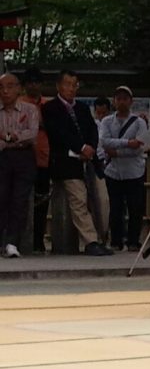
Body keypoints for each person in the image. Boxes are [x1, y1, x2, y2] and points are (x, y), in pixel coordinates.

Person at [41, 70, 113, 256]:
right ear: (58, 86)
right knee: (78, 200)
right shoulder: (50, 108)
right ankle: (91, 241)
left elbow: (92, 130)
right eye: (67, 84)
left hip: (90, 160)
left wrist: (90, 147)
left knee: (103, 200)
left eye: (74, 85)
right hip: (65, 160)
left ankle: (102, 238)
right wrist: (80, 147)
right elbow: (58, 133)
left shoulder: (82, 108)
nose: (71, 89)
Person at [99, 86, 148, 251]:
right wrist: (128, 143)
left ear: (131, 101)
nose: (121, 102)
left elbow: (140, 147)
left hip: (135, 171)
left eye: (125, 99)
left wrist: (117, 151)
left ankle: (133, 241)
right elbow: (104, 142)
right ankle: (116, 240)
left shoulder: (140, 122)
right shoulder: (106, 121)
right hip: (113, 171)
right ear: (114, 101)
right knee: (115, 208)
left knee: (135, 208)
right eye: (118, 98)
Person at [0, 73, 38, 258]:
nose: (5, 91)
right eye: (1, 87)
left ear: (18, 88)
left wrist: (7, 137)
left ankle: (12, 242)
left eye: (9, 86)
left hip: (24, 157)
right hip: (2, 157)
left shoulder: (30, 109)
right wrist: (13, 138)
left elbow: (31, 134)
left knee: (19, 200)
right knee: (1, 198)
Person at [18, 67, 49, 252]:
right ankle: (21, 240)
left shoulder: (48, 105)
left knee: (42, 202)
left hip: (44, 158)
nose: (33, 85)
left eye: (36, 82)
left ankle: (39, 240)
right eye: (30, 82)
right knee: (21, 200)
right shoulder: (19, 104)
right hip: (23, 159)